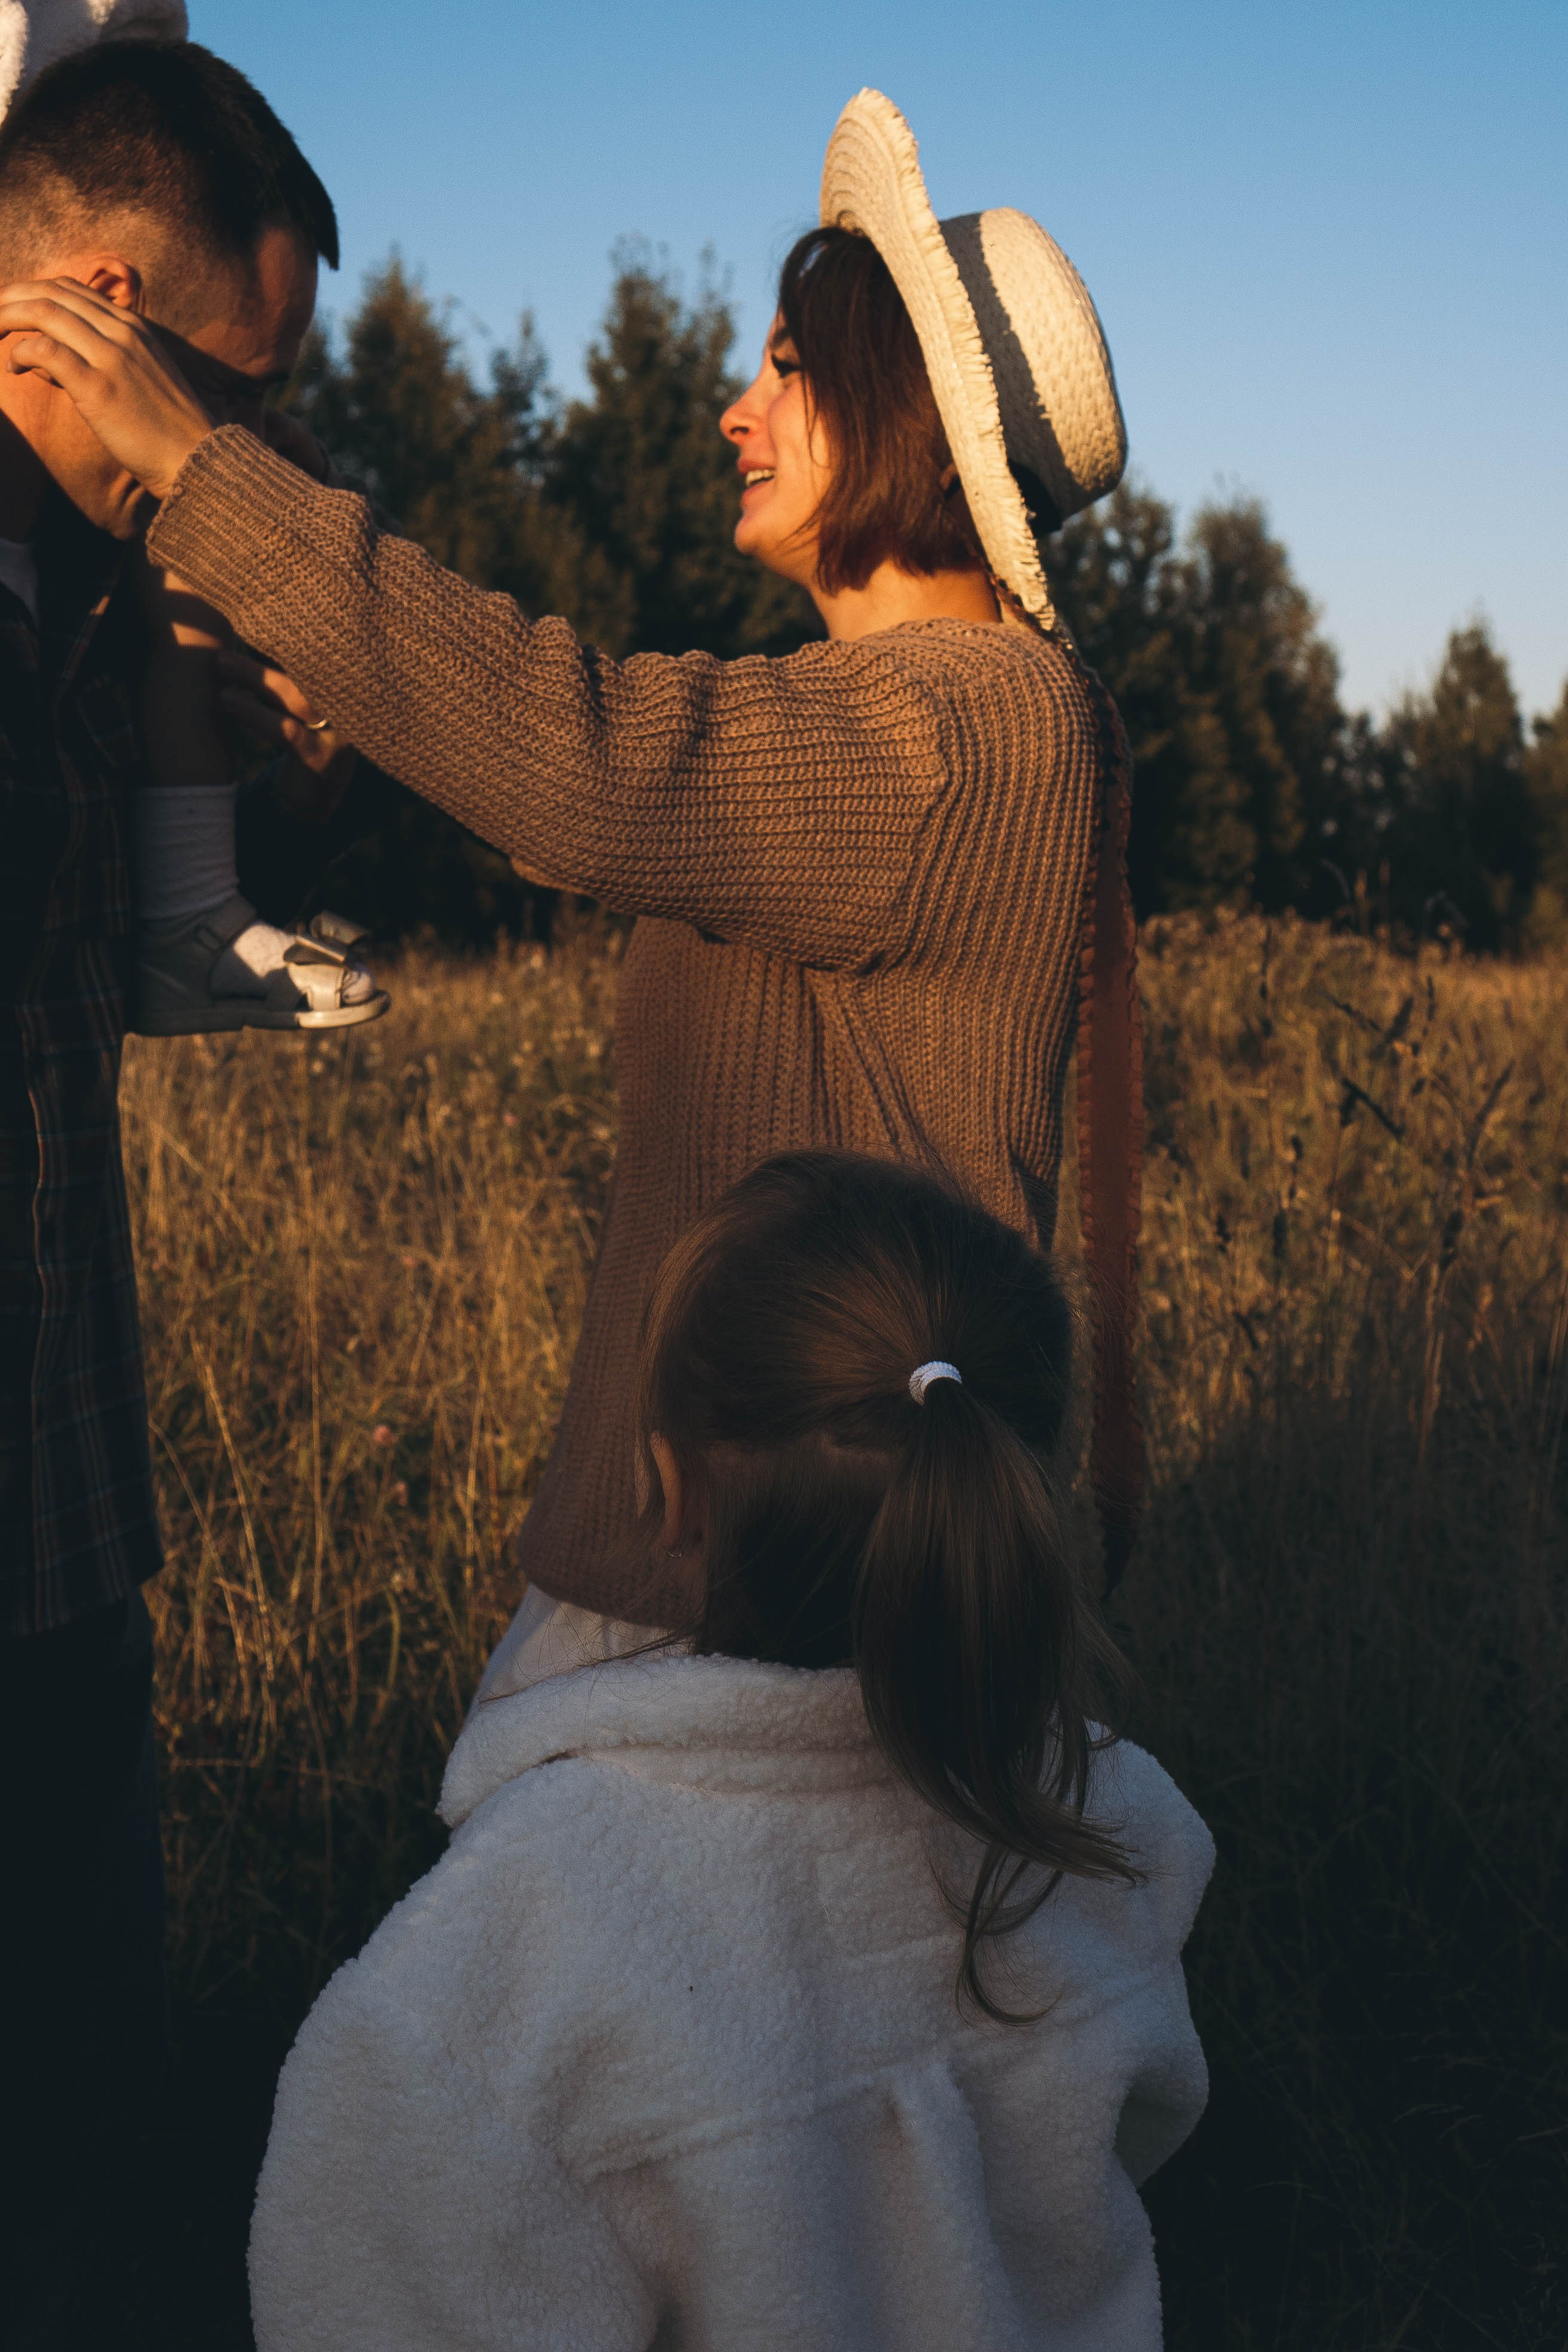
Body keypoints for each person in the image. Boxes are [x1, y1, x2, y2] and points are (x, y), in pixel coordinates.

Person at [0, 89, 1146, 1667]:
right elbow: (589, 769)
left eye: (790, 372)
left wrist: (216, 476)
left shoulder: (959, 726)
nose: (736, 415)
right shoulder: (913, 713)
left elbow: (593, 762)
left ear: (909, 417)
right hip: (770, 1557)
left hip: (786, 1595)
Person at [244, 1150, 1213, 2351]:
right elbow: (1140, 2132)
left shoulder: (496, 1966)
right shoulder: (1110, 1822)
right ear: (1018, 1484)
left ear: (665, 1486)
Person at [0, 31, 369, 2342]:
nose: (249, 458)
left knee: (91, 2148)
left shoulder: (75, 600)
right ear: (109, 313)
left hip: (62, 1535)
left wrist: (206, 776)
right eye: (236, 397)